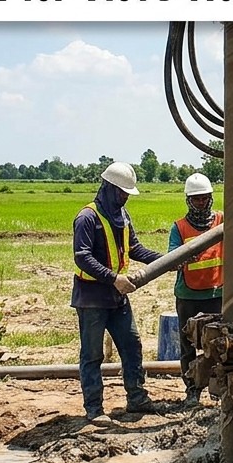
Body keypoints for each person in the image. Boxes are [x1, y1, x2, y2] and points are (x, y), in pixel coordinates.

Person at [72, 162, 163, 425]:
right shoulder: (87, 218)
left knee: (131, 346)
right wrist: (114, 279)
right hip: (92, 298)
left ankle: (136, 398)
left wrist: (165, 260)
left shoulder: (122, 216)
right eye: (122, 192)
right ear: (109, 188)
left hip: (117, 297)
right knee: (92, 355)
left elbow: (135, 249)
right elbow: (82, 257)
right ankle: (94, 408)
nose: (125, 197)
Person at [169, 173, 223, 406]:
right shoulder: (179, 227)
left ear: (210, 198)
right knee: (188, 345)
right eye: (196, 199)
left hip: (216, 293)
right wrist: (181, 258)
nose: (201, 203)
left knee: (219, 344)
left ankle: (217, 389)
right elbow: (172, 257)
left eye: (204, 198)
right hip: (188, 295)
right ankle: (192, 389)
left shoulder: (221, 220)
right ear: (188, 201)